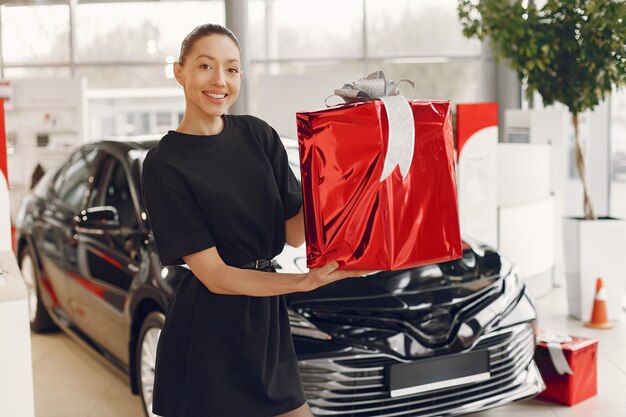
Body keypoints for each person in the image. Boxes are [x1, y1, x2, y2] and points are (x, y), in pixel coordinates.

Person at [141, 24, 371, 417]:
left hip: (266, 325)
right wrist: (304, 281)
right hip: (208, 335)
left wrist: (350, 178)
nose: (219, 81)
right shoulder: (165, 164)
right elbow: (216, 275)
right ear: (179, 72)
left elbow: (295, 233)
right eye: (205, 66)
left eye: (231, 69)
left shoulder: (258, 136)